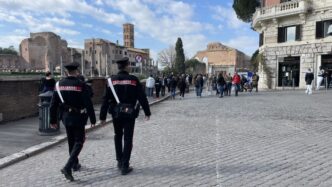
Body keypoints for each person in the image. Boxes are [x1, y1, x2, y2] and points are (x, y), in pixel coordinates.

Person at [100, 57, 151, 175]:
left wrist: (102, 117)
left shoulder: (110, 81)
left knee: (117, 135)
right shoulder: (133, 80)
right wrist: (147, 112)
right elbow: (142, 97)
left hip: (116, 113)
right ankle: (125, 165)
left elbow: (105, 100)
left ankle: (119, 160)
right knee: (128, 138)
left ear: (118, 67)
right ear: (127, 66)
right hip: (129, 113)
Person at [49, 62, 96, 181]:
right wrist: (93, 118)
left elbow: (53, 104)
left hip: (65, 117)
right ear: (76, 71)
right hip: (79, 117)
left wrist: (53, 120)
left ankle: (75, 164)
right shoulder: (81, 84)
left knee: (71, 141)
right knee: (79, 141)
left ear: (66, 72)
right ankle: (68, 166)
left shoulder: (59, 84)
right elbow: (88, 103)